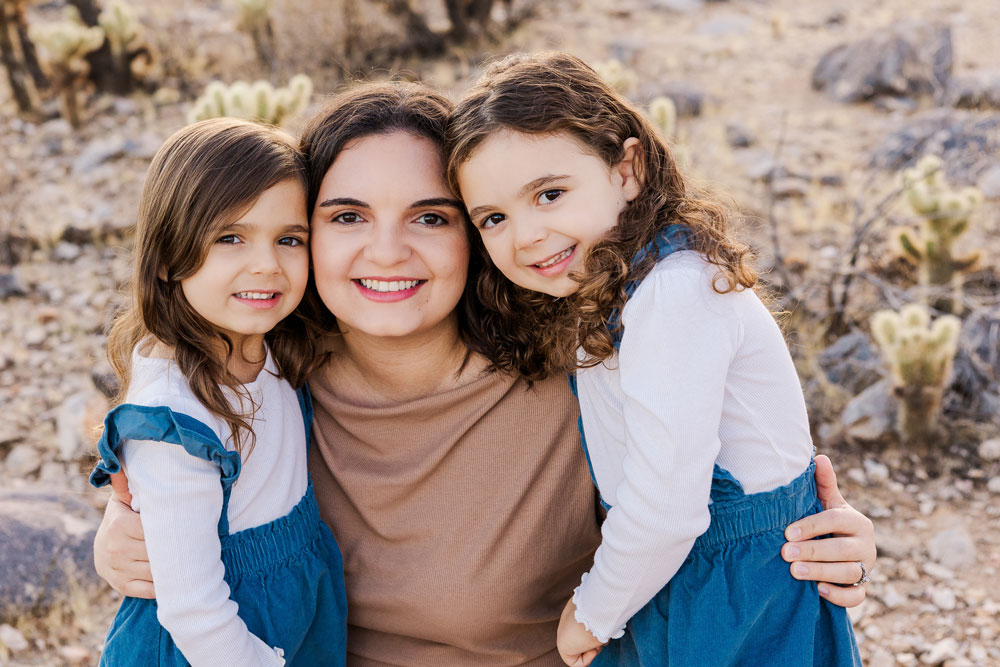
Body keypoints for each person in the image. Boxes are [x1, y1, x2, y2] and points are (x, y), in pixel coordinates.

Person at [94, 83, 876, 666]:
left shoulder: (576, 367)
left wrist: (811, 542)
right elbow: (169, 487)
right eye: (347, 216)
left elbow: (697, 497)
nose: (389, 251)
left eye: (432, 217)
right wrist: (118, 537)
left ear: (479, 233)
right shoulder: (263, 380)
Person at [447, 52, 862, 666]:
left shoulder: (674, 291)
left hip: (733, 578)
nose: (526, 234)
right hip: (676, 569)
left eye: (551, 193)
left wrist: (590, 613)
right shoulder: (611, 291)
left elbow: (668, 503)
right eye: (494, 217)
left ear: (629, 169)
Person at [89, 118, 347, 666]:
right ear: (166, 258)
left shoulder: (266, 338)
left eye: (289, 239)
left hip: (289, 598)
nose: (267, 265)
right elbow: (196, 612)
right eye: (230, 237)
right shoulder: (173, 416)